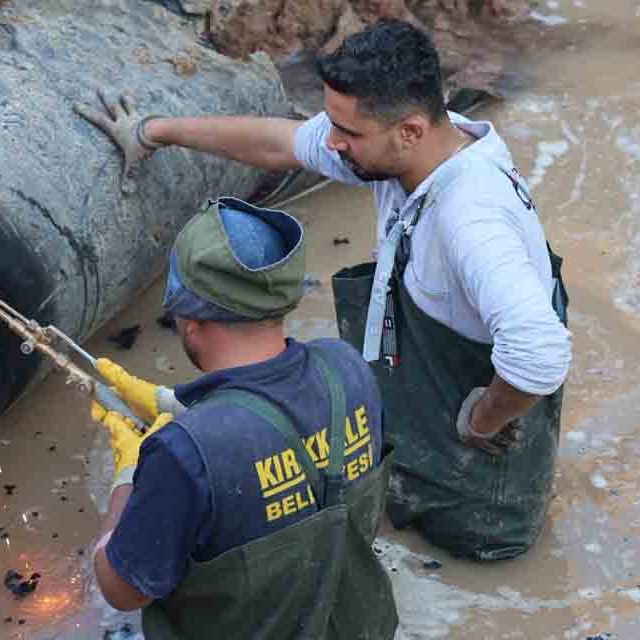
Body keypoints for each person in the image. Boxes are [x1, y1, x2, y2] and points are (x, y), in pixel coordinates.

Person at [75, 19, 571, 560]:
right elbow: (280, 142)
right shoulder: (415, 148)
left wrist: (482, 421)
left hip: (477, 488)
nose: (333, 143)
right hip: (425, 406)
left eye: (348, 134)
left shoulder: (470, 218)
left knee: (457, 556)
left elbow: (539, 354)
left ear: (409, 130)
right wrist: (154, 131)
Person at [87, 196, 398, 639]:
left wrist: (127, 476)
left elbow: (122, 589)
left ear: (190, 320)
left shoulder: (182, 453)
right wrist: (170, 402)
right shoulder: (346, 367)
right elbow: (276, 419)